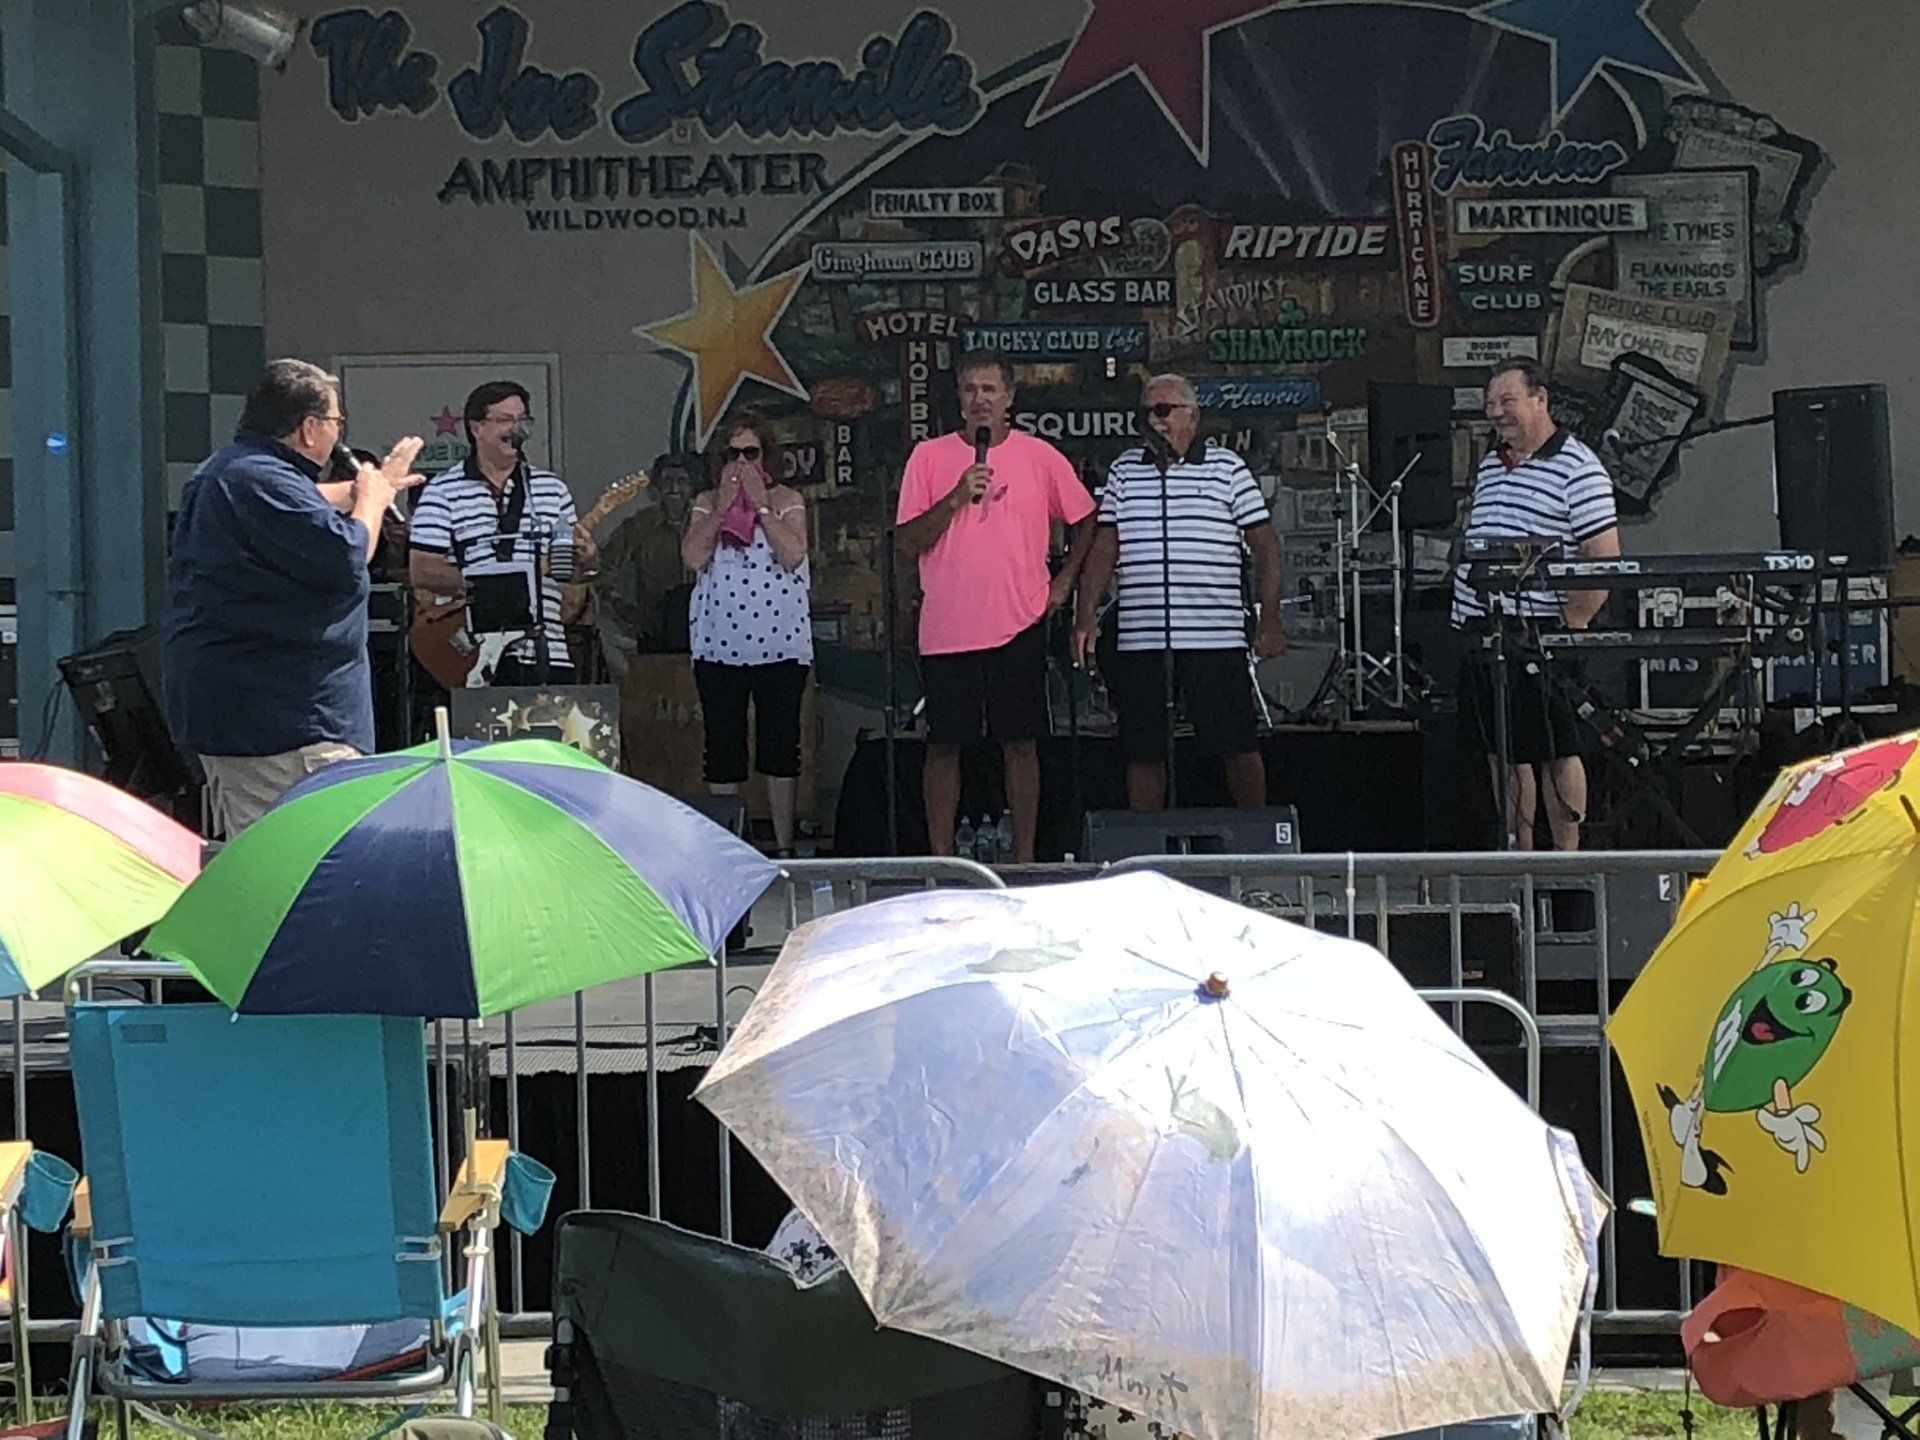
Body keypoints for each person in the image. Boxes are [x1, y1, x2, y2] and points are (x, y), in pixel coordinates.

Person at [160, 358, 423, 836]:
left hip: (260, 714)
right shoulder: (256, 480)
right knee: (308, 858)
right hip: (285, 724)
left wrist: (375, 486)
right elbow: (348, 555)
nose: (338, 432)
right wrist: (371, 500)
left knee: (279, 854)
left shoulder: (231, 473)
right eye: (336, 421)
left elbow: (303, 503)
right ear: (309, 428)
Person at [896, 349, 1097, 862]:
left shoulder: (1040, 456)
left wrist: (1064, 582)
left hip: (1018, 620)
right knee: (944, 744)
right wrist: (955, 498)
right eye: (970, 389)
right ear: (958, 399)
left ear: (1009, 397)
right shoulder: (929, 457)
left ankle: (1025, 859)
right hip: (948, 626)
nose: (979, 399)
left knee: (1021, 742)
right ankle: (942, 860)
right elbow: (907, 541)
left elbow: (1087, 519)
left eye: (989, 389)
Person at [1072, 373, 1286, 811]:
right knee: (1143, 748)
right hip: (1143, 635)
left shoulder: (1227, 468)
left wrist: (1270, 618)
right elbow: (1106, 547)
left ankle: (1256, 835)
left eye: (1164, 410)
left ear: (1192, 416)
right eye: (1147, 412)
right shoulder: (1125, 470)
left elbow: (1265, 546)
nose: (1155, 421)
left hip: (1214, 635)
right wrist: (1085, 615)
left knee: (1236, 742)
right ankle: (1147, 841)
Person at [1450, 356, 1622, 851]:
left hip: (1542, 629)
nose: (1495, 412)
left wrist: (1572, 622)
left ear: (1540, 399)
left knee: (1557, 747)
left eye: (1507, 400)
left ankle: (1566, 860)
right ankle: (1517, 856)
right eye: (1490, 403)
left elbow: (1603, 557)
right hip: (1484, 628)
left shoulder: (1578, 467)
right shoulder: (1492, 464)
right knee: (1502, 750)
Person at [407, 381, 600, 687]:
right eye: (505, 420)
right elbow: (422, 570)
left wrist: (588, 560)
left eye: (523, 420)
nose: (516, 429)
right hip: (477, 656)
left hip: (548, 651)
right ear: (476, 428)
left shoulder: (553, 489)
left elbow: (569, 574)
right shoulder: (442, 491)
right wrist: (493, 588)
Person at [680, 419, 813, 858]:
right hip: (720, 642)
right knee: (723, 743)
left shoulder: (787, 500)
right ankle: (728, 849)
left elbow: (793, 554)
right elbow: (693, 557)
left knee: (780, 743)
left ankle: (784, 846)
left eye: (750, 454)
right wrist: (722, 509)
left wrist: (762, 507)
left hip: (779, 640)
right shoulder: (706, 502)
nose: (741, 463)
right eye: (732, 455)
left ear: (766, 456)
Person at [594, 449, 701, 667]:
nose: (674, 489)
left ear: (693, 486)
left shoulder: (706, 522)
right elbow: (601, 568)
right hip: (656, 630)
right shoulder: (640, 525)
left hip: (706, 628)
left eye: (681, 481)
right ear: (657, 487)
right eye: (667, 481)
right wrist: (620, 607)